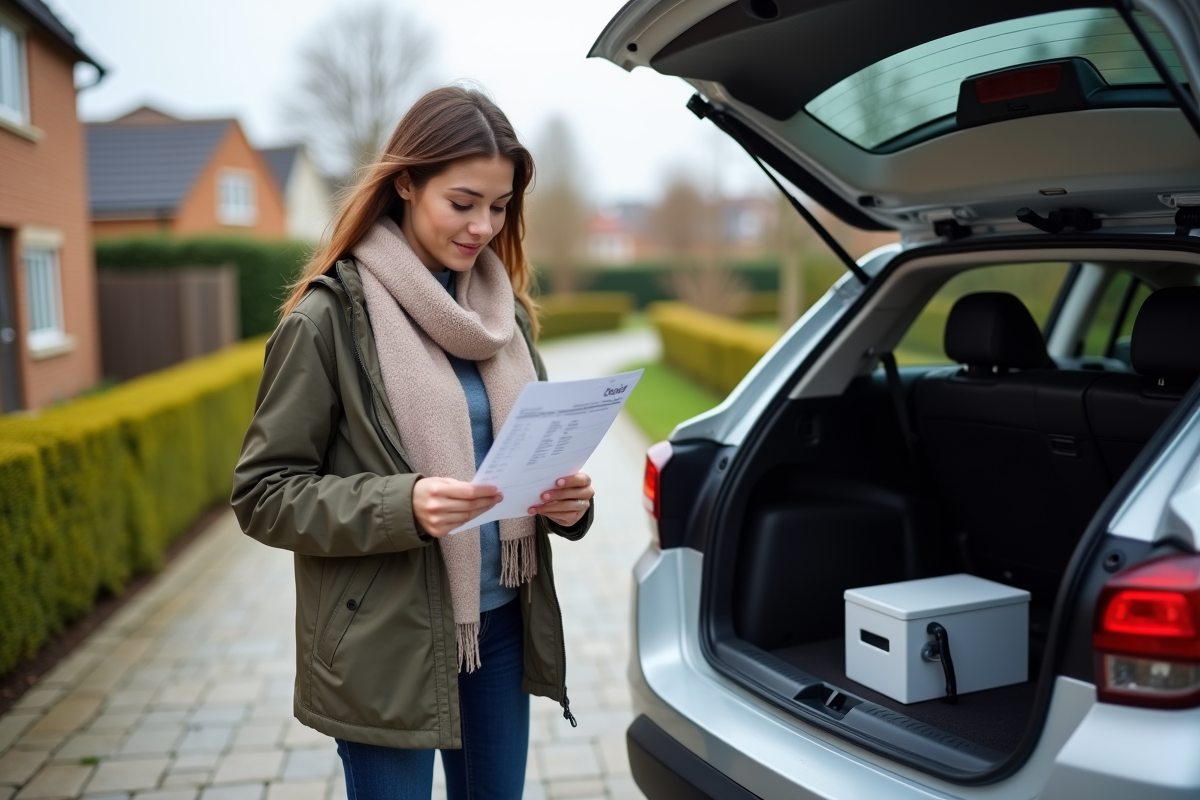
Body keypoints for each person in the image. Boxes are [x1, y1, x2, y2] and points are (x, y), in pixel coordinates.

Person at [231, 86, 595, 800]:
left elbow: (534, 451)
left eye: (499, 206)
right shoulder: (326, 320)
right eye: (463, 203)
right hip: (383, 646)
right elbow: (263, 495)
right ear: (405, 181)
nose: (484, 226)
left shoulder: (504, 316)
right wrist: (405, 506)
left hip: (499, 628)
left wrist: (571, 503)